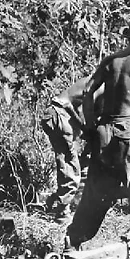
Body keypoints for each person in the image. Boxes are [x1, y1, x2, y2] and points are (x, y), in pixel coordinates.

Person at [65, 20, 130, 250]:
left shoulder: (110, 61)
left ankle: (74, 239)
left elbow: (88, 91)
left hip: (104, 131)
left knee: (95, 191)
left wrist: (90, 126)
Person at [40, 77, 104, 224]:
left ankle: (57, 200)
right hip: (61, 113)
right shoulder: (102, 85)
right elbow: (85, 111)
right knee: (70, 164)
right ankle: (62, 213)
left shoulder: (98, 81)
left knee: (69, 162)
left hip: (57, 112)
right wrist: (85, 128)